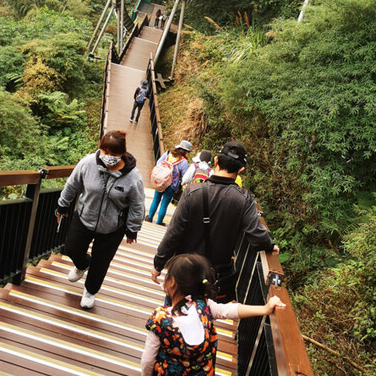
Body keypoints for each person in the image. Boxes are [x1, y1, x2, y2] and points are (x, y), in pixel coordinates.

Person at [142, 254, 284, 376]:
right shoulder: (204, 306)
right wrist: (264, 309)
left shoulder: (160, 320)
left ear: (173, 283)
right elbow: (228, 310)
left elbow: (148, 360)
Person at [151, 141, 279, 301]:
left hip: (183, 271)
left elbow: (173, 233)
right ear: (241, 170)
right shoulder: (243, 199)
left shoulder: (192, 192)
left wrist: (158, 264)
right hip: (213, 277)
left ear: (216, 161)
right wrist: (270, 244)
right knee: (203, 318)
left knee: (172, 316)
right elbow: (256, 234)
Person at [56, 130, 145, 309]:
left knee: (101, 261)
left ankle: (90, 291)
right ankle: (82, 264)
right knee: (71, 248)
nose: (108, 157)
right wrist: (62, 205)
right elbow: (72, 184)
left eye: (114, 154)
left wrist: (132, 228)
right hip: (84, 216)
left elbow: (137, 204)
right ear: (100, 148)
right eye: (105, 151)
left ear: (123, 153)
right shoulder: (88, 163)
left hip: (113, 226)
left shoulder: (133, 177)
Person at [145, 140, 191, 227]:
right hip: (172, 185)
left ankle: (149, 217)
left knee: (156, 199)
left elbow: (158, 163)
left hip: (161, 181)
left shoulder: (167, 154)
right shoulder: (183, 161)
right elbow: (184, 176)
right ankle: (159, 221)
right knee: (164, 204)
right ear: (186, 152)